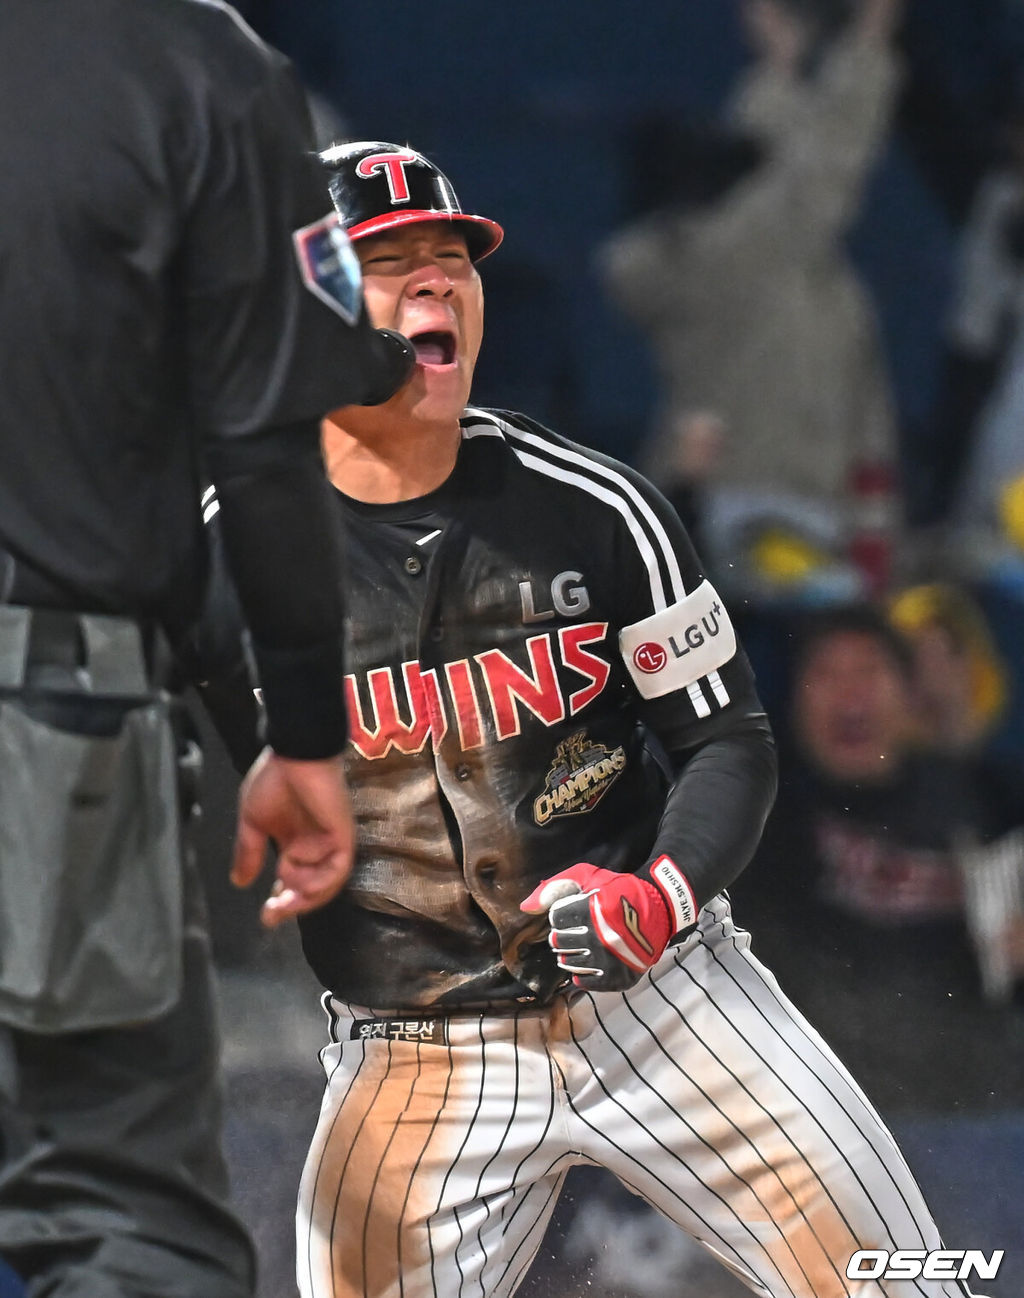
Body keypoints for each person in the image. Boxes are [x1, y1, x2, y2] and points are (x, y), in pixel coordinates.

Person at [196, 142, 992, 1298]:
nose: (435, 285)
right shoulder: (217, 559)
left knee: (914, 1286)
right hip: (412, 1049)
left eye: (449, 260)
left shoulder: (594, 505)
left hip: (667, 1001)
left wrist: (658, 894)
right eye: (387, 264)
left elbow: (728, 738)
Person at [0, 3, 412, 1296]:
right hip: (42, 705)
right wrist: (303, 733)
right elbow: (267, 447)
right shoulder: (193, 62)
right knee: (121, 1211)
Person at [599, 0, 904, 599]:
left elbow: (770, 165)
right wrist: (870, 38)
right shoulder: (740, 250)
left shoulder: (770, 266)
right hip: (759, 516)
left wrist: (779, 67)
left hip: (775, 512)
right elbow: (824, 164)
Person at [729, 603, 1024, 1111]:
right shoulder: (757, 821)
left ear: (910, 697)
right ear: (794, 703)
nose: (850, 693)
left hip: (982, 1108)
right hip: (821, 1114)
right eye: (826, 674)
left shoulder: (985, 799)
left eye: (869, 670)